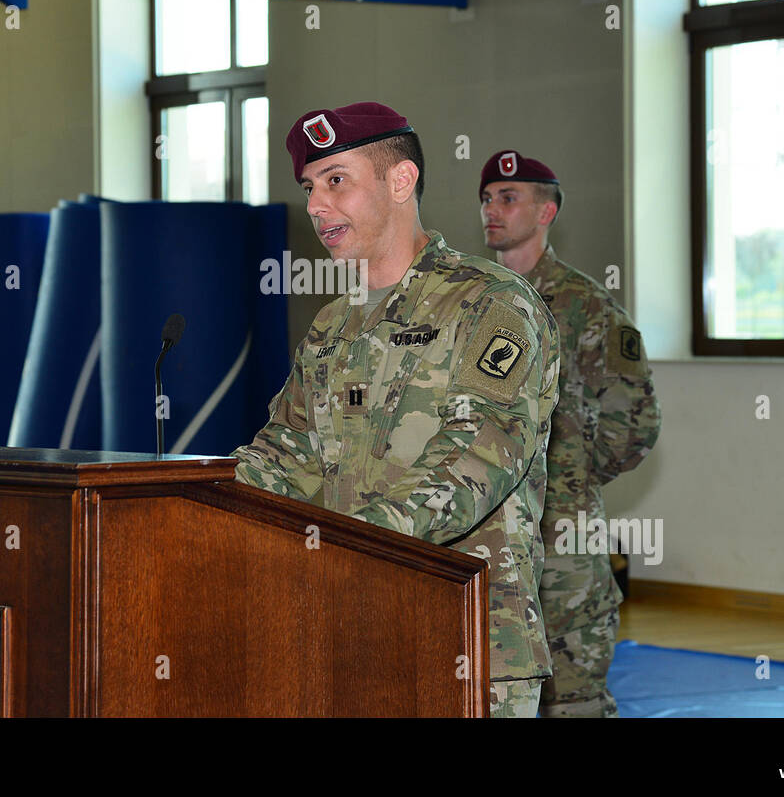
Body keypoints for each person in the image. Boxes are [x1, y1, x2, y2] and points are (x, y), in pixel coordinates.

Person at [233, 103, 560, 717]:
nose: (315, 205)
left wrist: (348, 543)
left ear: (400, 181)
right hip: (344, 628)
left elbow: (479, 459)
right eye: (309, 186)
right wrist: (189, 492)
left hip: (465, 639)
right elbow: (287, 454)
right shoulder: (334, 323)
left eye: (337, 180)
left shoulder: (488, 304)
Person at [479, 149, 661, 717]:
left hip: (564, 542)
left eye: (509, 198)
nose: (493, 210)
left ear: (547, 210)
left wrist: (568, 476)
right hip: (485, 533)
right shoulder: (473, 302)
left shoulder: (587, 308)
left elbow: (635, 423)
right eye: (486, 198)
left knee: (573, 698)